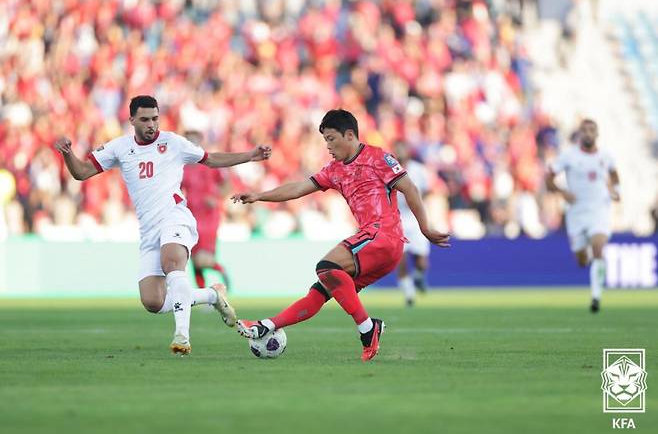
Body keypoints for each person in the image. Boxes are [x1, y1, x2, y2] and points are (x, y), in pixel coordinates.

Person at [54, 95, 272, 354]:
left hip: (175, 217)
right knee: (153, 301)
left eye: (155, 119)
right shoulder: (119, 148)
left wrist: (249, 155)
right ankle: (212, 295)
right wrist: (68, 154)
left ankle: (182, 336)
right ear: (132, 120)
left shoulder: (173, 143)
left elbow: (211, 159)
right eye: (145, 120)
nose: (151, 125)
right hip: (148, 230)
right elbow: (81, 172)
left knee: (172, 264)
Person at [232, 109, 450, 361]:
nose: (328, 146)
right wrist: (260, 195)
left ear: (349, 135)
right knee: (320, 291)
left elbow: (409, 188)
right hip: (374, 246)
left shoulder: (378, 157)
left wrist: (425, 228)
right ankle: (266, 326)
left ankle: (368, 329)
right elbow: (298, 188)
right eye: (325, 140)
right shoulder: (334, 170)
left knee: (326, 266)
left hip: (383, 236)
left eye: (331, 139)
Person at [546, 118, 620, 313]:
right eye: (584, 130)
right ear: (579, 134)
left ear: (597, 134)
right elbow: (548, 178)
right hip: (577, 213)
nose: (588, 133)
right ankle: (585, 256)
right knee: (581, 260)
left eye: (591, 130)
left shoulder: (606, 156)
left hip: (599, 210)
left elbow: (614, 174)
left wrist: (616, 191)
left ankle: (596, 297)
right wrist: (562, 192)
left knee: (598, 246)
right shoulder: (569, 156)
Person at [181, 129, 231, 290]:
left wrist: (215, 198)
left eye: (193, 140)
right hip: (191, 215)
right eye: (188, 140)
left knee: (203, 259)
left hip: (209, 215)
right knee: (193, 258)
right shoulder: (182, 167)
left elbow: (226, 185)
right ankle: (203, 295)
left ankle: (222, 273)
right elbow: (176, 189)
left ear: (200, 141)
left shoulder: (211, 162)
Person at [394, 141, 432, 307]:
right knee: (400, 259)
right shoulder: (387, 170)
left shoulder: (418, 169)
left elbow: (428, 190)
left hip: (415, 218)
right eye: (397, 149)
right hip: (397, 219)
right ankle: (409, 295)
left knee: (422, 261)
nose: (399, 152)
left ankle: (418, 277)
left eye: (402, 148)